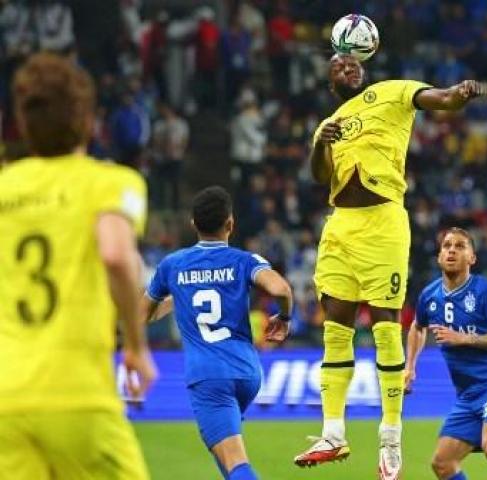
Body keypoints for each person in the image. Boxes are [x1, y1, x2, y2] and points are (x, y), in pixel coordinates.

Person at [293, 53, 487, 480]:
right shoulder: (327, 124)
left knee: (384, 325)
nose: (348, 70)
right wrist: (321, 143)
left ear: (364, 69)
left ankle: (390, 438)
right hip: (340, 226)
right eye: (338, 68)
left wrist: (458, 94)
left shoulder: (391, 92)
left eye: (353, 65)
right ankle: (332, 432)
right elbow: (317, 176)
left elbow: (438, 99)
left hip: (383, 221)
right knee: (335, 327)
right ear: (330, 82)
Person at [0, 53, 156, 479]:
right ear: (88, 120)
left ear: (23, 121)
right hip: (77, 393)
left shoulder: (4, 187)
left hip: (6, 400)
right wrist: (136, 346)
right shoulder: (108, 182)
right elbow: (115, 253)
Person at [140, 186, 293, 480]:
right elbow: (281, 288)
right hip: (247, 373)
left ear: (193, 224)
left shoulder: (172, 265)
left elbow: (143, 314)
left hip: (209, 376)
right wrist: (284, 317)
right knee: (227, 459)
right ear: (230, 224)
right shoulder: (244, 260)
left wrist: (179, 294)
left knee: (235, 463)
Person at [405, 228, 487, 480]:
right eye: (447, 246)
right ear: (439, 256)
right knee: (443, 463)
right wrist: (410, 366)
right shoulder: (429, 296)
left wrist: (465, 338)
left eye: (460, 246)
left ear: (472, 258)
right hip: (468, 394)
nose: (451, 250)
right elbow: (418, 327)